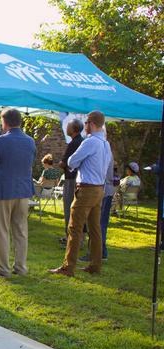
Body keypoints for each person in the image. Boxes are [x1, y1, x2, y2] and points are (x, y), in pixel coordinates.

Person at [50, 110, 112, 276]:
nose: (85, 126)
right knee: (95, 229)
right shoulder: (105, 143)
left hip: (86, 188)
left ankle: (68, 267)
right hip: (99, 188)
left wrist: (77, 163)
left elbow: (72, 161)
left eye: (86, 123)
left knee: (74, 227)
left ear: (92, 123)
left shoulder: (90, 142)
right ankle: (95, 265)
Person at [0, 108, 36, 277]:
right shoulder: (30, 141)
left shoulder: (0, 141)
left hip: (3, 190)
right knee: (21, 230)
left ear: (4, 122)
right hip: (23, 191)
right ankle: (21, 267)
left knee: (1, 230)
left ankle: (3, 268)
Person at [80, 156, 114, 262]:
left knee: (96, 224)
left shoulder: (101, 152)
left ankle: (95, 253)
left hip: (101, 190)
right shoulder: (107, 152)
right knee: (101, 224)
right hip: (106, 190)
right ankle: (101, 252)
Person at [59, 119, 84, 243]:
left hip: (71, 179)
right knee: (78, 210)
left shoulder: (74, 143)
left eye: (68, 126)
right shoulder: (82, 142)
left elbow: (64, 163)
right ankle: (78, 237)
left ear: (74, 129)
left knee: (69, 208)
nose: (66, 128)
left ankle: (70, 237)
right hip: (79, 179)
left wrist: (61, 163)